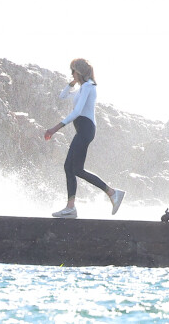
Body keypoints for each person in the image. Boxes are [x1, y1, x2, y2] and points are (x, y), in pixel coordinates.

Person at [44, 58, 125, 219]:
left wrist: (55, 128)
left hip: (86, 129)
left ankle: (112, 193)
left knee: (76, 169)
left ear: (79, 71)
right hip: (82, 129)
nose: (71, 74)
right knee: (70, 168)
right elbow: (62, 96)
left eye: (73, 71)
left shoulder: (89, 87)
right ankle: (71, 207)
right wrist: (72, 82)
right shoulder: (82, 88)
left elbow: (77, 112)